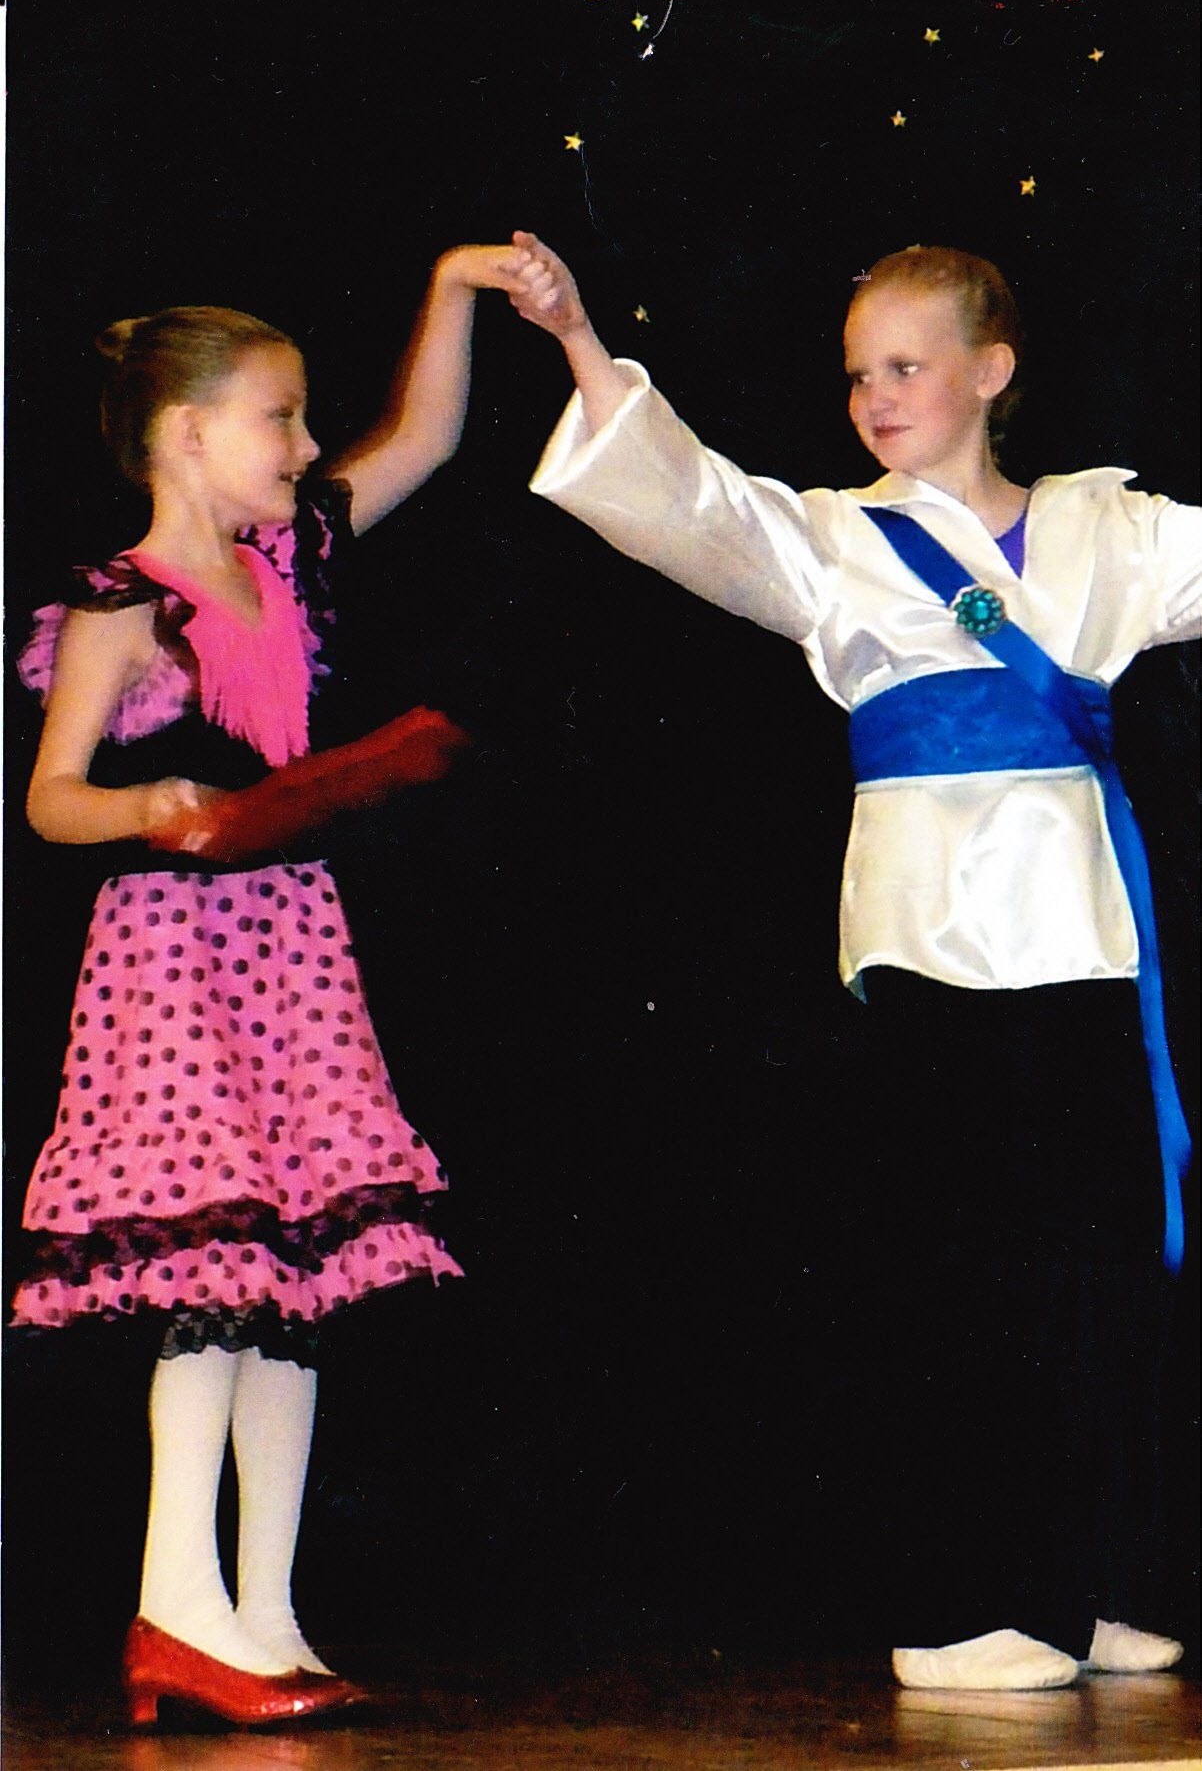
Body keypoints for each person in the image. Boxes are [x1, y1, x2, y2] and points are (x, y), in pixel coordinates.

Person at [504, 232, 1199, 1689]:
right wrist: (574, 336)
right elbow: (682, 495)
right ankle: (956, 1606)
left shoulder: (1109, 529)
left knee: (1089, 1268)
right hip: (924, 939)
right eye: (855, 375)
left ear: (991, 371)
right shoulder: (831, 539)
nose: (872, 397)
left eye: (903, 366)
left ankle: (1084, 1583)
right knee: (956, 1276)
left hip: (1082, 933)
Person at [11, 245, 531, 1726]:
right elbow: (51, 798)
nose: (305, 447)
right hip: (176, 956)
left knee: (292, 1277)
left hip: (291, 943)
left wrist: (449, 284)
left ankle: (264, 1609)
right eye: (280, 418)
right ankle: (174, 1602)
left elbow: (423, 437)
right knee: (209, 1272)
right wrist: (150, 801)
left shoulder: (288, 561)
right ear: (187, 433)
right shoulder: (121, 602)